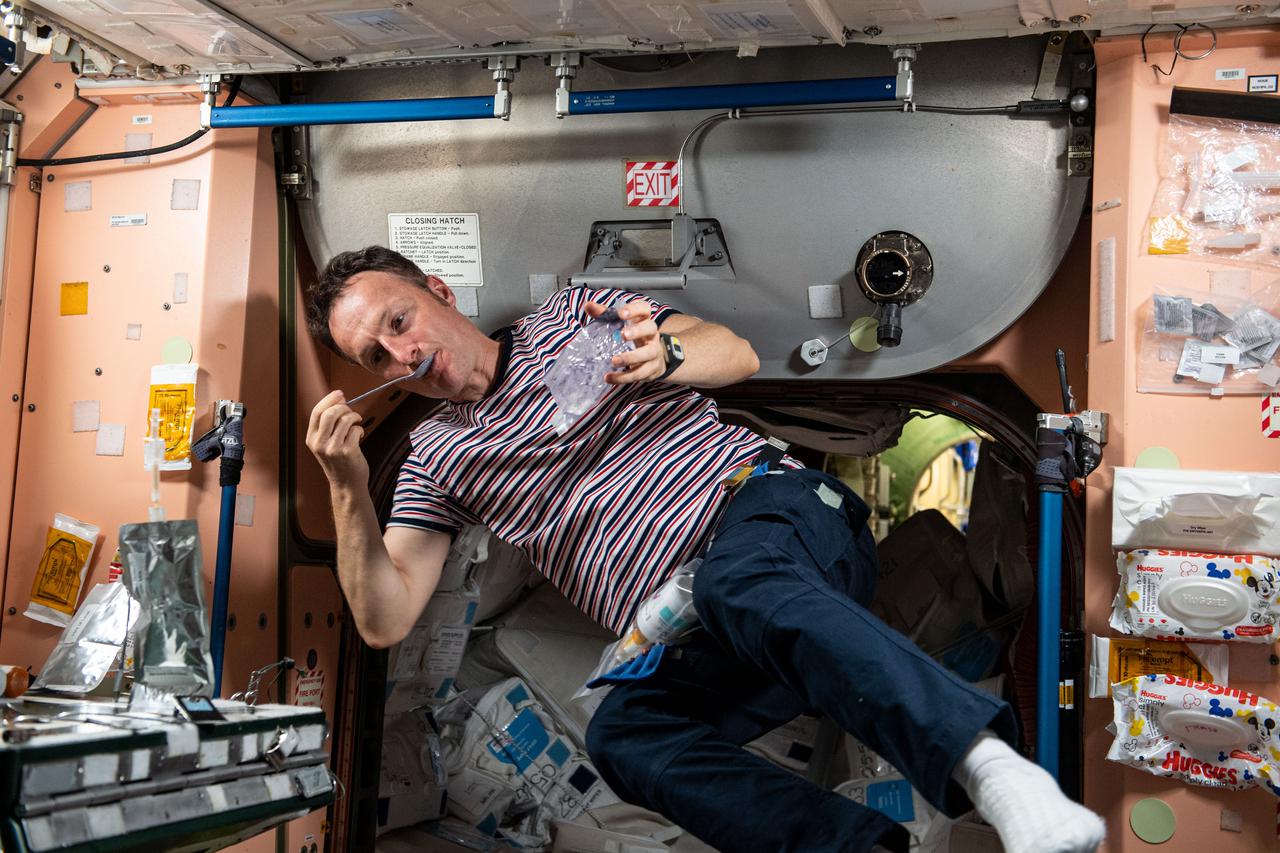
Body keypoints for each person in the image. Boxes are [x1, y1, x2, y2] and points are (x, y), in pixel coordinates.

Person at [305, 245, 1106, 853]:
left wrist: (672, 356)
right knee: (625, 735)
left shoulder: (568, 318)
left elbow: (734, 350)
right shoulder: (434, 459)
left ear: (438, 293)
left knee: (737, 577)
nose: (401, 355)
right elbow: (384, 619)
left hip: (772, 514)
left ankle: (995, 770)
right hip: (690, 627)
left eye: (399, 322)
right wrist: (346, 484)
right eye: (375, 356)